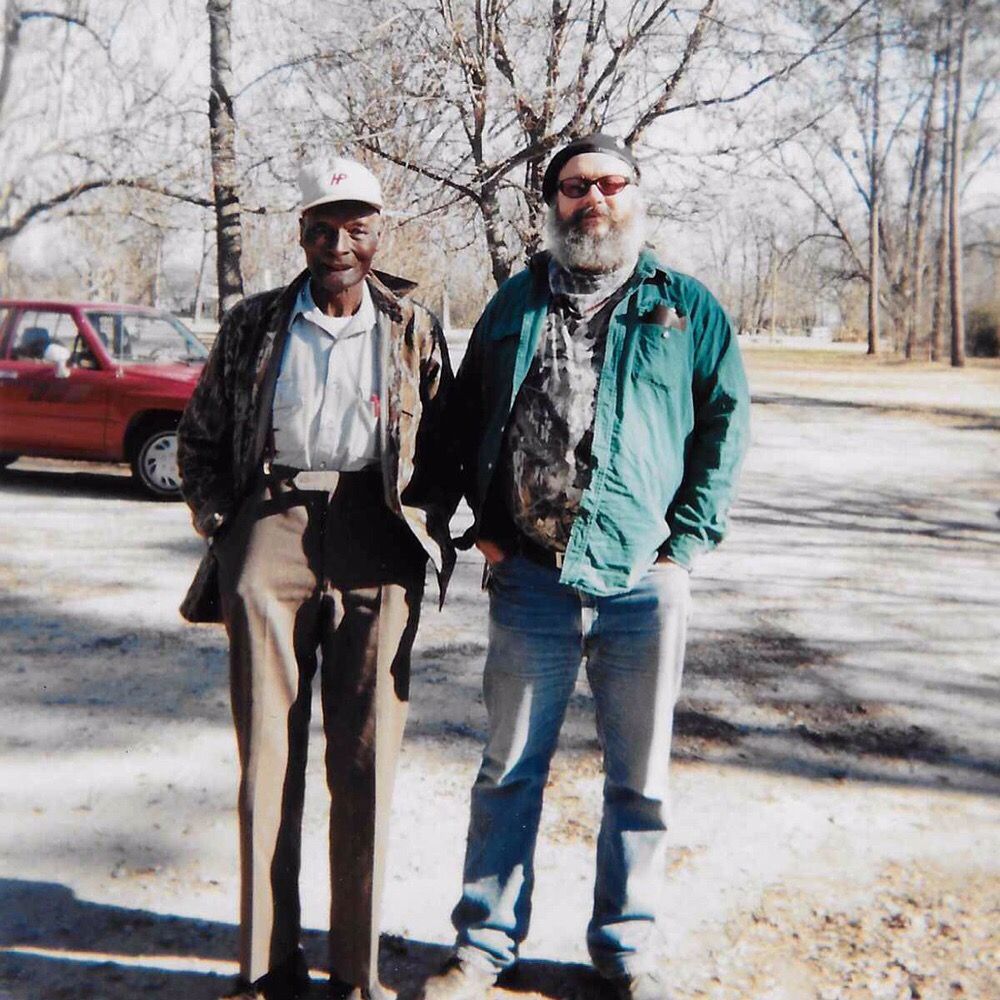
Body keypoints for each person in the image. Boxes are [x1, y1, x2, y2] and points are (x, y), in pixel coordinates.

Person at [422, 134, 750, 1000]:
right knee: (508, 769)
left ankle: (623, 950)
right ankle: (485, 946)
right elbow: (458, 417)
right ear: (552, 201)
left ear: (635, 195)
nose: (591, 199)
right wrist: (481, 527)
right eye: (574, 186)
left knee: (639, 780)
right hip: (531, 577)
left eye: (608, 183)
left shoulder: (686, 307)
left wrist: (686, 544)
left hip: (642, 582)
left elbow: (725, 425)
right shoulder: (513, 303)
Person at [177, 156, 455, 1000]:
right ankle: (268, 969)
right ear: (299, 232)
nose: (339, 243)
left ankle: (358, 979)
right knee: (269, 760)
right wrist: (229, 529)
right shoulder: (254, 325)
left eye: (357, 226)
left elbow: (443, 442)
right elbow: (198, 440)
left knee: (366, 765)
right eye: (322, 226)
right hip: (273, 527)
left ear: (379, 234)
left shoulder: (412, 325)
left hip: (377, 534)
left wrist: (428, 527)